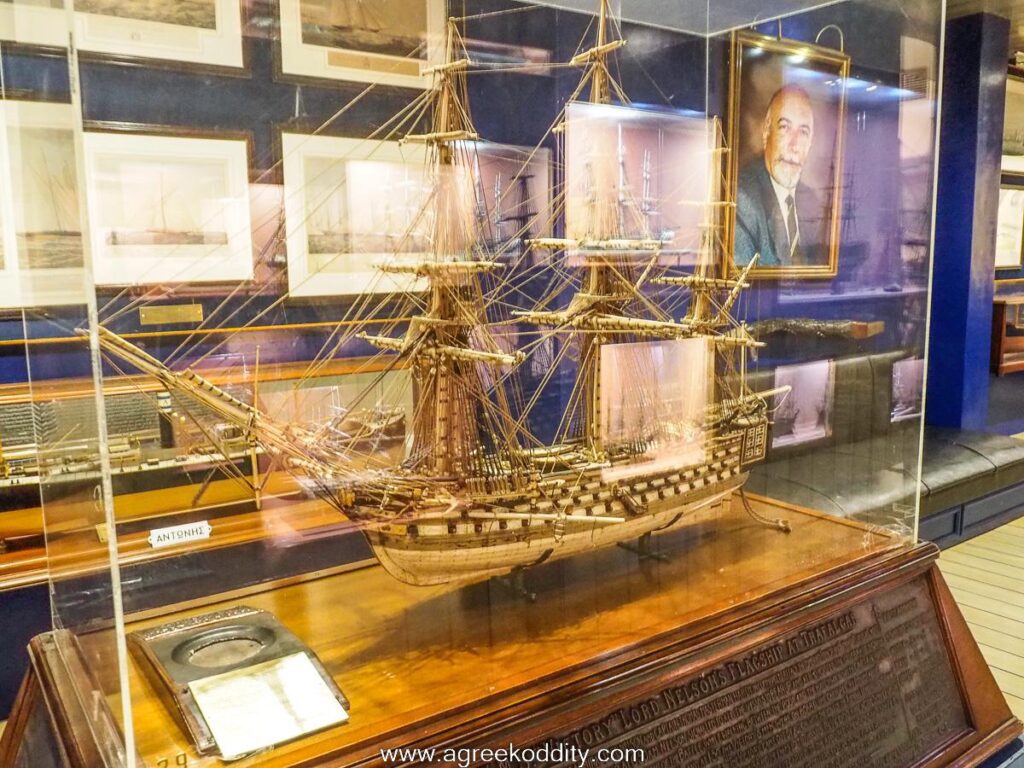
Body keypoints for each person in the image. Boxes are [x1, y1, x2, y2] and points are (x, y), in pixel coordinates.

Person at [734, 84, 827, 267]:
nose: (794, 145)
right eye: (785, 127)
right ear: (766, 131)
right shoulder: (743, 200)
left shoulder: (812, 202)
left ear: (810, 143)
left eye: (803, 132)